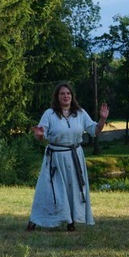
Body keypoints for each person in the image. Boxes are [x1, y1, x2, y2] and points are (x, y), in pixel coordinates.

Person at [27, 82, 108, 232]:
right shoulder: (49, 114)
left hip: (74, 156)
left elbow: (94, 130)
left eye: (68, 93)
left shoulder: (80, 113)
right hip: (55, 158)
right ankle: (34, 220)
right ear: (57, 97)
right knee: (49, 190)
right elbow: (41, 134)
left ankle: (71, 222)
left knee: (74, 189)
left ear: (72, 96)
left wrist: (102, 119)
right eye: (62, 94)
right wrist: (39, 135)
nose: (66, 96)